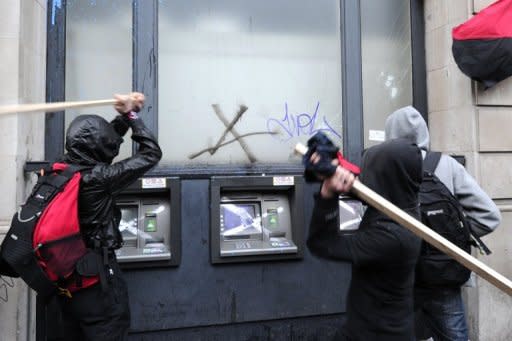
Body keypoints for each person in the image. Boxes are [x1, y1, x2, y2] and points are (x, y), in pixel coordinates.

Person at [384, 106, 501, 341]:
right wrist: (455, 238)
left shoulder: (384, 169)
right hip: (442, 274)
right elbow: (490, 215)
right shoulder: (446, 166)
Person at [54, 92, 162, 340]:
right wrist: (131, 115)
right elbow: (150, 153)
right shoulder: (98, 179)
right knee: (110, 330)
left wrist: (123, 117)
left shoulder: (61, 171)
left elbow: (102, 145)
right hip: (98, 277)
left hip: (68, 277)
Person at [307, 138, 423, 340]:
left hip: (378, 334)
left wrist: (328, 192)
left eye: (372, 172)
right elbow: (363, 188)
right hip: (369, 327)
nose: (366, 176)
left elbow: (323, 244)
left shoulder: (394, 236)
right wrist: (331, 167)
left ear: (386, 178)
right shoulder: (403, 203)